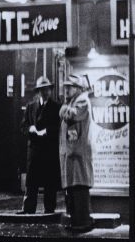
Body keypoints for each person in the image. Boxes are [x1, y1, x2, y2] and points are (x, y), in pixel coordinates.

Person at [20, 75, 61, 214]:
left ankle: (49, 210)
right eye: (43, 90)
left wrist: (47, 131)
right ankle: (28, 209)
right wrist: (30, 129)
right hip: (34, 149)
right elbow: (23, 126)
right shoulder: (31, 107)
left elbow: (59, 127)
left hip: (49, 149)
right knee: (31, 182)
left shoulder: (57, 107)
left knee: (50, 182)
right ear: (38, 92)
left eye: (48, 89)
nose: (46, 92)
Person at [59, 73, 94, 232]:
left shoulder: (82, 101)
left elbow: (70, 114)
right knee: (73, 188)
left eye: (70, 87)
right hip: (71, 154)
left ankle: (82, 221)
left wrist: (64, 108)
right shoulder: (72, 101)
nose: (66, 90)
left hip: (78, 154)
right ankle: (77, 221)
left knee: (79, 187)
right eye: (65, 86)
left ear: (78, 88)